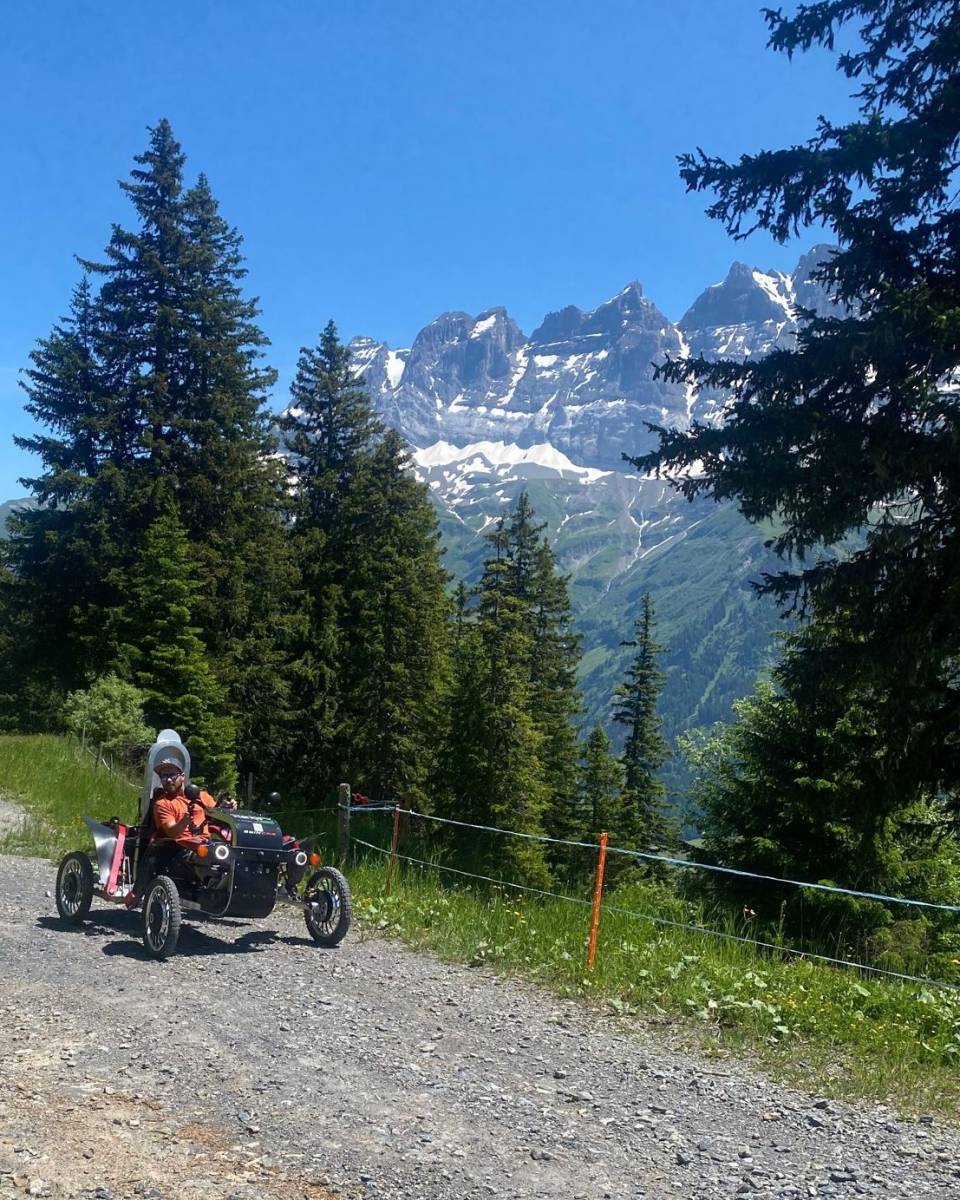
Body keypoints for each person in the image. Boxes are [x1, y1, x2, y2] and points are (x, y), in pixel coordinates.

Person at [152, 759, 233, 845]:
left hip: (206, 845)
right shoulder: (162, 804)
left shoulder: (202, 796)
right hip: (180, 848)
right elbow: (171, 834)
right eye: (164, 776)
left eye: (172, 775)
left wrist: (227, 810)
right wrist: (184, 821)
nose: (168, 780)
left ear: (182, 776)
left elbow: (218, 816)